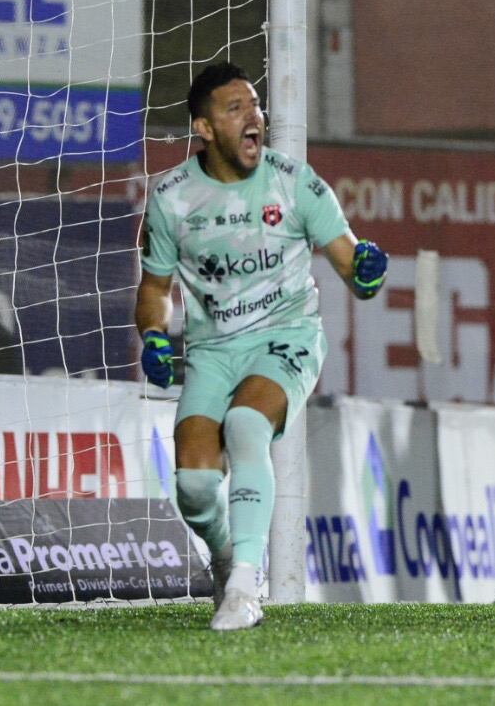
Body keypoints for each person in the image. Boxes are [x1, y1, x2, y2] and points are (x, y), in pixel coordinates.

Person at [135, 62, 388, 630]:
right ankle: (227, 557)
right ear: (203, 129)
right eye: (236, 109)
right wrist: (153, 333)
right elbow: (154, 290)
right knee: (196, 486)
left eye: (256, 106)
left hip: (288, 335)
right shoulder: (172, 197)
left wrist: (367, 272)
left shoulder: (292, 181)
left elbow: (352, 263)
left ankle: (247, 587)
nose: (255, 118)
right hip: (212, 351)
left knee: (248, 426)